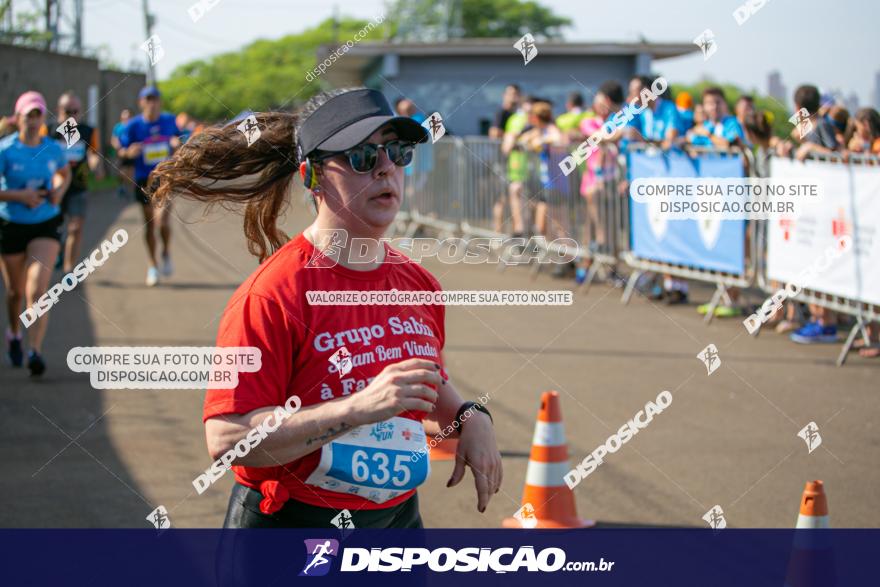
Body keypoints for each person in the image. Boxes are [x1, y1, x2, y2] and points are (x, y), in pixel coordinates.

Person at [151, 87, 502, 528]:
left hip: (397, 521)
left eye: (397, 152)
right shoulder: (272, 295)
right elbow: (227, 436)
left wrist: (471, 417)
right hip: (292, 526)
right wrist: (357, 408)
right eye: (361, 156)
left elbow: (424, 387)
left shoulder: (419, 285)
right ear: (311, 175)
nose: (385, 168)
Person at [0, 91, 71, 375]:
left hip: (45, 222)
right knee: (15, 292)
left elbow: (63, 174)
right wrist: (19, 196)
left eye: (38, 114)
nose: (33, 120)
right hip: (11, 224)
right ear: (18, 118)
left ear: (43, 118)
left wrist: (57, 191)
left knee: (37, 290)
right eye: (28, 114)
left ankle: (35, 350)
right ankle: (15, 333)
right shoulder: (5, 150)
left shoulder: (53, 149)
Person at [117, 86, 183, 286]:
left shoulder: (170, 121)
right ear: (141, 102)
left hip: (166, 177)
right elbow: (121, 151)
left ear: (159, 102)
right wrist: (129, 153)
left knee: (161, 221)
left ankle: (166, 252)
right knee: (149, 224)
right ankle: (153, 265)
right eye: (148, 99)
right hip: (144, 180)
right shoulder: (133, 126)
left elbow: (182, 141)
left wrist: (175, 143)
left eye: (155, 99)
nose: (151, 103)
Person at [52, 91, 104, 273]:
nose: (72, 115)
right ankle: (57, 250)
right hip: (54, 189)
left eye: (76, 111)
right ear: (59, 110)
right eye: (68, 111)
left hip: (78, 187)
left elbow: (93, 154)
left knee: (75, 228)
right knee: (54, 230)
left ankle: (68, 270)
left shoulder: (88, 131)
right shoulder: (50, 131)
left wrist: (96, 165)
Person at [111, 109, 133, 199]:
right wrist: (118, 146)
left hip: (131, 152)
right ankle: (122, 187)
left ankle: (131, 190)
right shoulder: (118, 127)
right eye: (124, 117)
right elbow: (113, 139)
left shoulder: (133, 126)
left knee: (131, 172)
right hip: (121, 153)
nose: (125, 119)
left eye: (127, 117)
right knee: (121, 171)